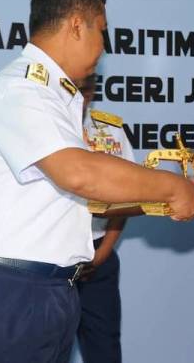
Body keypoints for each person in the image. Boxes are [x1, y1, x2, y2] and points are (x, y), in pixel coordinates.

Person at [0, 0, 194, 363]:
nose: (104, 45)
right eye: (102, 30)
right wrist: (172, 188)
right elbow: (79, 173)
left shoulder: (55, 94)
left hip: (47, 290)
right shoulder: (21, 89)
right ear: (77, 26)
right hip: (14, 292)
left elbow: (81, 190)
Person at [74, 73, 134, 363]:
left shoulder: (110, 130)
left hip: (99, 257)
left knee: (104, 350)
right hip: (46, 261)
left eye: (87, 86)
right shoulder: (40, 126)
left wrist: (103, 253)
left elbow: (128, 198)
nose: (81, 93)